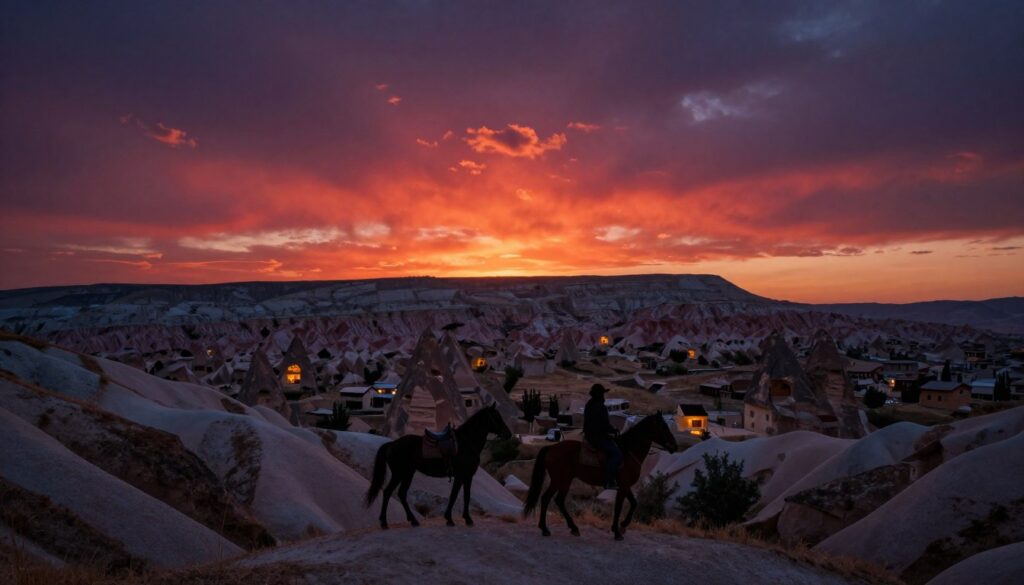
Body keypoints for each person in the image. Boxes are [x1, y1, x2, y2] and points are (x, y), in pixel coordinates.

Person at [583, 383, 622, 489]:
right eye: (602, 394)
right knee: (617, 454)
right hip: (597, 438)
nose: (604, 397)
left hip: (589, 436)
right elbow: (604, 425)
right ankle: (609, 481)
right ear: (599, 395)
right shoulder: (601, 407)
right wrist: (613, 431)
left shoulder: (589, 404)